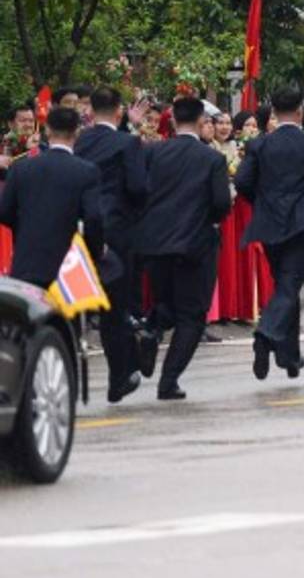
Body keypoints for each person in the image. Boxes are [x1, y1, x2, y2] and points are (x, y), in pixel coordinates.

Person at [236, 88, 304, 381]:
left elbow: (243, 181)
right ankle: (266, 333)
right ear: (300, 112)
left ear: (274, 113)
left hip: (270, 224)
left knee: (286, 285)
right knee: (288, 287)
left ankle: (289, 356)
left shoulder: (260, 144)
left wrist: (263, 201)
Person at [134, 98, 231, 400]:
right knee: (191, 315)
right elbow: (220, 204)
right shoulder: (211, 159)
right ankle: (169, 379)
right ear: (202, 120)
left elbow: (138, 192)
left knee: (167, 303)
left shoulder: (152, 152)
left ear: (173, 119)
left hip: (156, 243)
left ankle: (151, 328)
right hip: (195, 245)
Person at [73, 87, 154, 402]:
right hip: (118, 231)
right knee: (116, 306)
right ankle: (120, 373)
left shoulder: (80, 141)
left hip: (81, 229)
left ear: (90, 111)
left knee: (87, 304)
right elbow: (137, 187)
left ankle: (120, 369)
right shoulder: (128, 142)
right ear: (119, 111)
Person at [0, 105, 104, 341]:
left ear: (47, 130)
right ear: (76, 133)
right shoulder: (86, 171)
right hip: (70, 267)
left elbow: (4, 211)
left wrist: (25, 229)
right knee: (69, 335)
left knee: (27, 332)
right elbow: (94, 218)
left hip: (27, 262)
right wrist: (94, 254)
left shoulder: (22, 168)